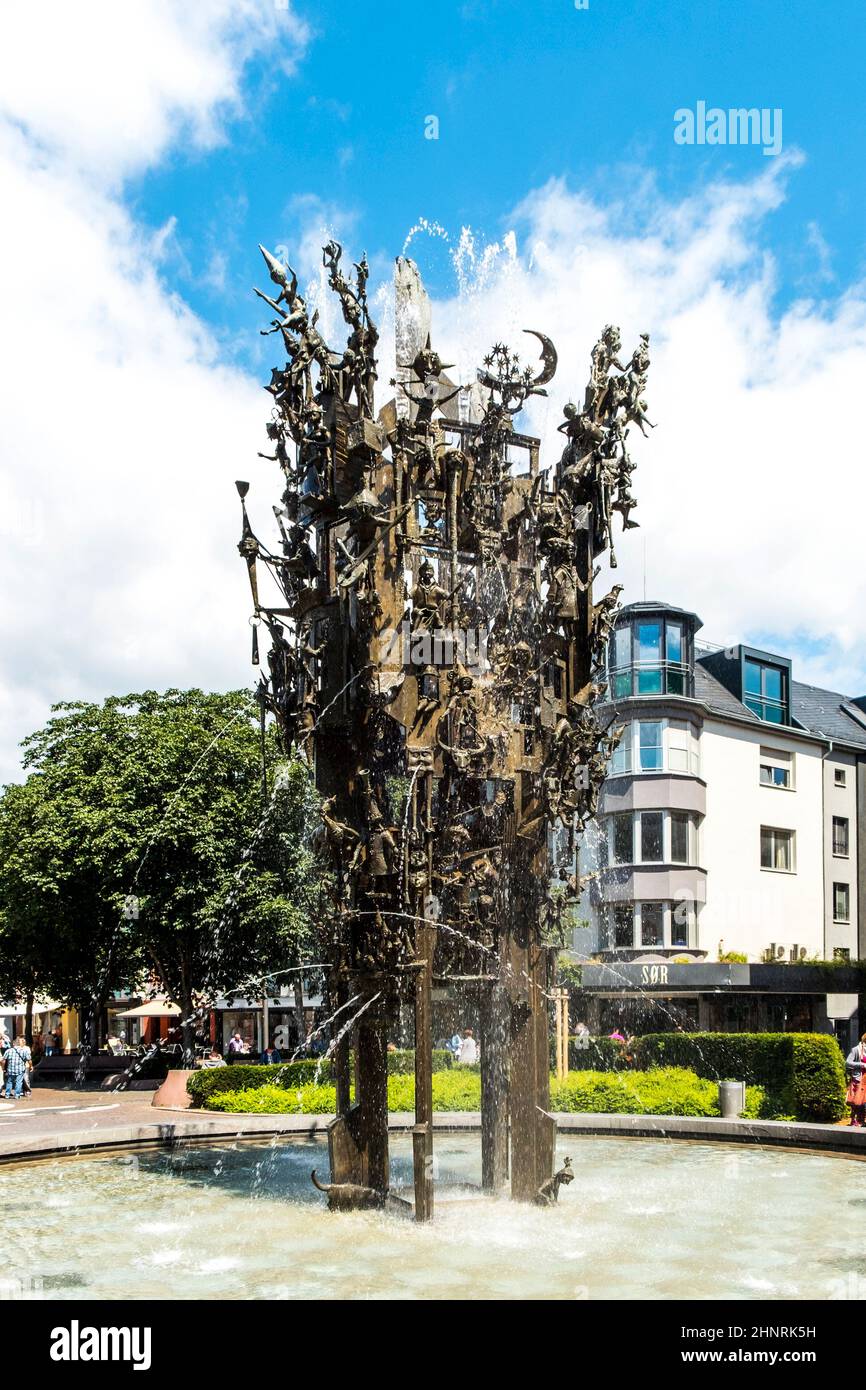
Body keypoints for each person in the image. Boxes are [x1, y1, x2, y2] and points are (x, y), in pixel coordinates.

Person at [2, 1035, 32, 1100]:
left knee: (9, 1082)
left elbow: (3, 1060)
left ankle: (7, 1095)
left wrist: (3, 1068)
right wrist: (31, 1066)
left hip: (10, 1070)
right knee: (19, 1082)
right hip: (20, 1070)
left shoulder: (8, 1051)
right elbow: (29, 1060)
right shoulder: (24, 1051)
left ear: (14, 1044)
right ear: (19, 1044)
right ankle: (17, 1095)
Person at [845, 1034, 866, 1126]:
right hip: (859, 1078)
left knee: (864, 1101)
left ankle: (862, 1121)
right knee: (856, 1101)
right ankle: (854, 1120)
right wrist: (861, 1065)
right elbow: (848, 1062)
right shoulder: (856, 1049)